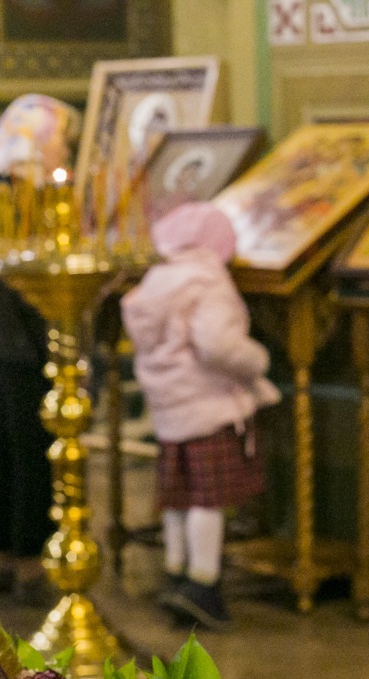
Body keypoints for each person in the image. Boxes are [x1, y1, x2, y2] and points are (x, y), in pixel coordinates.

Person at [120, 202, 280, 629]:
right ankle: (203, 585)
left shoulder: (157, 279)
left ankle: (175, 573)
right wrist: (257, 360)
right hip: (207, 405)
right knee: (207, 500)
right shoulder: (208, 281)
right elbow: (217, 344)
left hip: (170, 407)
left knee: (177, 497)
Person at [0, 94, 81, 604]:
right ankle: (30, 560)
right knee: (30, 451)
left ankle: (5, 555)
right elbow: (25, 273)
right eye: (61, 140)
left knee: (1, 447)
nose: (66, 151)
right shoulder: (16, 194)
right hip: (20, 338)